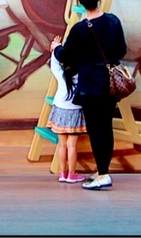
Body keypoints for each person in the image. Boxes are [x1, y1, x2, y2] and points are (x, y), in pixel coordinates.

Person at [51, 0, 127, 190]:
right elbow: (121, 50)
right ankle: (103, 169)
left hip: (90, 86)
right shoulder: (113, 21)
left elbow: (66, 56)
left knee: (96, 130)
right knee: (106, 128)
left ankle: (103, 175)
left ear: (79, 2)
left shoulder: (80, 29)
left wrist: (56, 48)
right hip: (110, 85)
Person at [47, 50, 87, 184]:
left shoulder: (61, 74)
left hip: (60, 111)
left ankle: (62, 174)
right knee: (72, 146)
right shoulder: (82, 76)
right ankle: (72, 174)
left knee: (62, 145)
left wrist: (55, 49)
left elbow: (54, 64)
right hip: (75, 112)